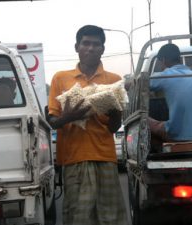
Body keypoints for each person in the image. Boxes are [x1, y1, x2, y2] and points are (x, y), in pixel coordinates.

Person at [47, 25, 128, 225]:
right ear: (77, 47)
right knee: (79, 217)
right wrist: (69, 116)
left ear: (103, 49)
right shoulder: (61, 78)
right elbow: (52, 121)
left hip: (105, 157)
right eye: (86, 43)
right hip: (73, 158)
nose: (90, 48)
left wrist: (115, 111)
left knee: (110, 217)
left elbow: (113, 128)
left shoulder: (114, 81)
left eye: (96, 44)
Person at [149, 43, 192, 142]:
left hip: (179, 136)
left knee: (145, 120)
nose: (160, 67)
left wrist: (127, 85)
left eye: (160, 63)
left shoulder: (166, 75)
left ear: (163, 60)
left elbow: (141, 85)